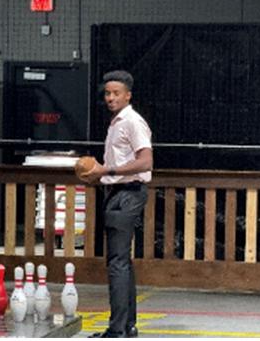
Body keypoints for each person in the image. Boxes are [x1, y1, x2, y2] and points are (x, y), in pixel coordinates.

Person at [81, 70, 153, 338]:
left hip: (127, 194)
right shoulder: (116, 123)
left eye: (116, 93)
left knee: (117, 262)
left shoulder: (132, 122)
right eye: (108, 93)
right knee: (122, 261)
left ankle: (117, 329)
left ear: (128, 95)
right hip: (116, 191)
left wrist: (107, 171)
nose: (110, 98)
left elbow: (145, 161)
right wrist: (100, 178)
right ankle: (127, 326)